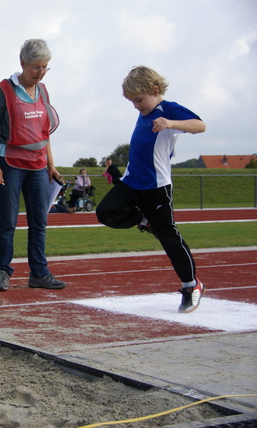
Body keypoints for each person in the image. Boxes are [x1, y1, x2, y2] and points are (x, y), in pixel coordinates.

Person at [96, 66, 206, 313]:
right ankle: (146, 220)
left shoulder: (168, 110)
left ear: (154, 90)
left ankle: (191, 286)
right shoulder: (143, 112)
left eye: (138, 100)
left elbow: (201, 126)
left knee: (170, 237)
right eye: (132, 101)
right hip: (131, 182)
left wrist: (170, 123)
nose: (136, 106)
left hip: (156, 188)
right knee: (106, 212)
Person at [0, 39, 66, 292]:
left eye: (45, 67)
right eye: (36, 67)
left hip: (38, 167)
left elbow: (44, 134)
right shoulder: (3, 90)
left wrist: (51, 166)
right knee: (8, 221)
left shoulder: (43, 91)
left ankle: (39, 273)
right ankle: (3, 272)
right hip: (10, 164)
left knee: (39, 221)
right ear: (23, 63)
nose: (40, 72)